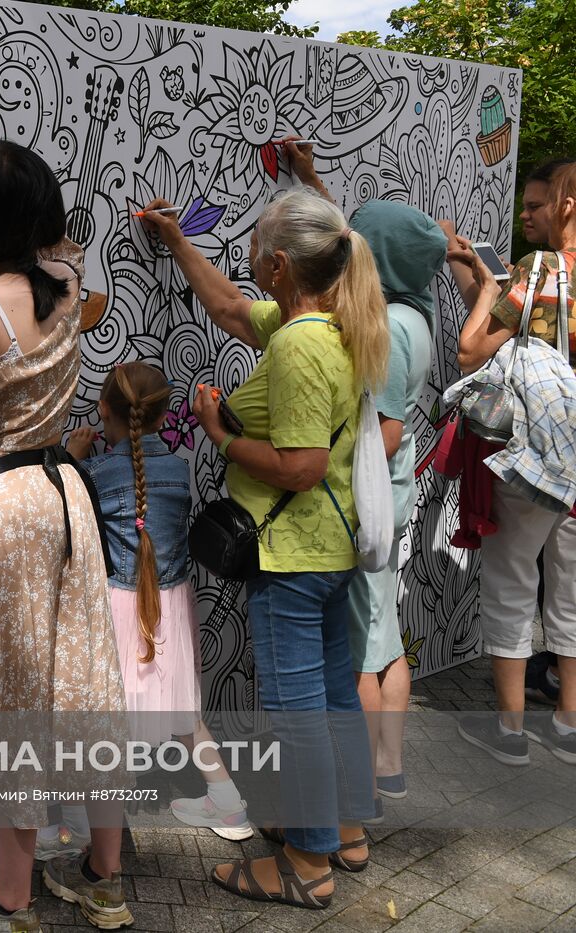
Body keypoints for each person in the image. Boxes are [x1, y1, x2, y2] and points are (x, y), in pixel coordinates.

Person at [0, 69, 133, 933]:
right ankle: (105, 877)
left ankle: (10, 903)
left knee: (12, 704)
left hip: (4, 506)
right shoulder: (69, 281)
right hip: (67, 501)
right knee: (84, 687)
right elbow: (42, 210)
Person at [141, 184, 389, 909]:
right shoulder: (325, 322)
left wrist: (222, 433)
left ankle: (306, 865)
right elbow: (226, 306)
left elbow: (303, 465)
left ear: (280, 265)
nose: (246, 254)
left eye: (254, 245)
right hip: (327, 552)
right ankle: (342, 828)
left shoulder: (298, 347)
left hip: (291, 557)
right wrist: (178, 241)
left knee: (297, 710)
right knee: (335, 698)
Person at [61, 364, 252, 843]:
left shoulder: (95, 473)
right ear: (166, 415)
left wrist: (71, 460)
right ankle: (228, 804)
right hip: (170, 603)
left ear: (104, 409)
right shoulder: (177, 468)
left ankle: (85, 820)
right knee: (182, 711)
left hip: (118, 604)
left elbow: (66, 523)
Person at [447, 162, 576, 767]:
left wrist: (492, 288)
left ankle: (509, 730)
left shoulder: (542, 270)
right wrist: (477, 280)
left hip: (538, 450)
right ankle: (568, 723)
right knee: (571, 591)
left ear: (568, 204)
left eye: (537, 205)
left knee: (511, 580)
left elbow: (475, 349)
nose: (525, 216)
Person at [343, 202, 446, 808]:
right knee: (386, 640)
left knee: (360, 648)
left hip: (373, 506)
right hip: (398, 497)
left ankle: (359, 786)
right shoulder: (417, 313)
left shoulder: (386, 327)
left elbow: (381, 433)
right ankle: (390, 768)